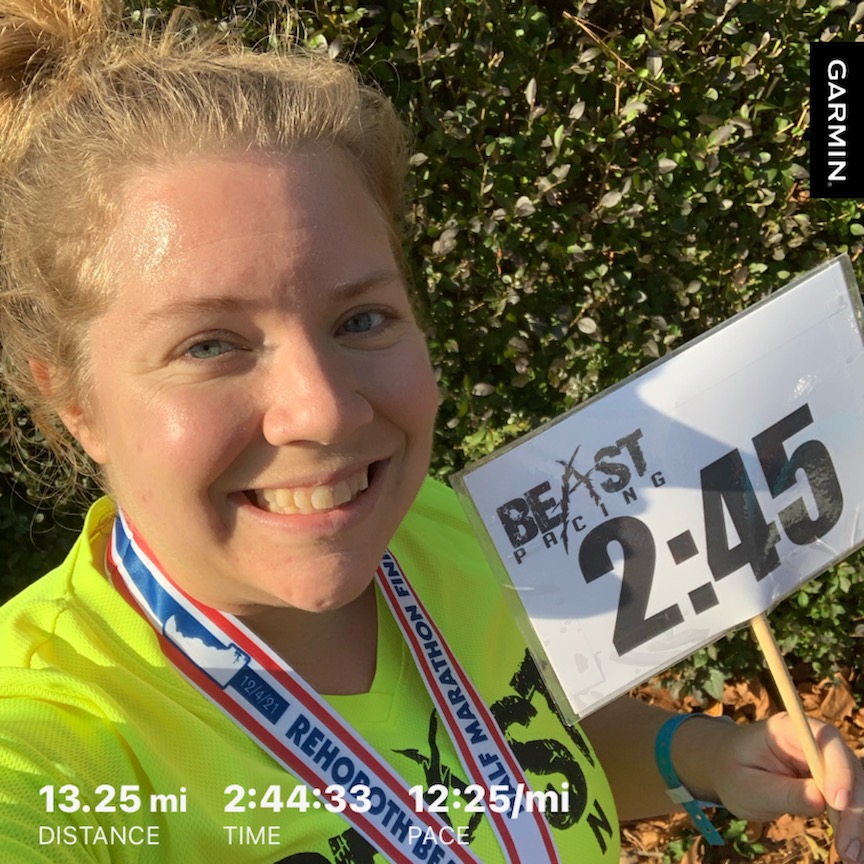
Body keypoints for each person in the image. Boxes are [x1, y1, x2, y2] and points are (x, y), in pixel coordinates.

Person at [0, 1, 862, 862]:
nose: (326, 409)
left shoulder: (450, 531)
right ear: (73, 399)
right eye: (209, 344)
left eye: (362, 320)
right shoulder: (51, 738)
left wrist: (704, 756)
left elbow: (528, 750)